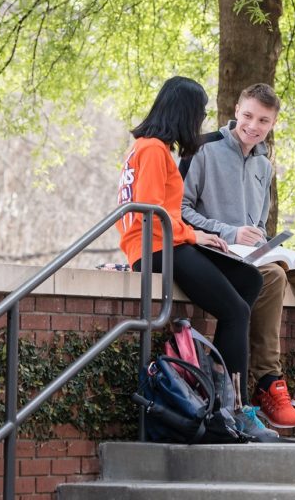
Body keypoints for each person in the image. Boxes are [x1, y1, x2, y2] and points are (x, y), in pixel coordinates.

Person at [181, 83, 295, 428]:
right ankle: (267, 383)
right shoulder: (203, 149)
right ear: (236, 111)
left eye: (263, 120)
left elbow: (258, 219)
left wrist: (260, 235)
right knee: (273, 275)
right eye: (248, 116)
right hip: (214, 248)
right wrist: (228, 231)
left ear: (273, 123)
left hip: (254, 251)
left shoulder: (264, 163)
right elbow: (180, 209)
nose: (253, 125)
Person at [117, 75, 274, 440]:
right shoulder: (154, 150)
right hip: (156, 248)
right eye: (199, 112)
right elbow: (154, 213)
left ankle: (219, 390)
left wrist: (196, 235)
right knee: (236, 311)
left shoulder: (145, 147)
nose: (200, 121)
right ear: (184, 111)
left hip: (163, 243)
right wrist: (194, 233)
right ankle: (233, 410)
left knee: (249, 280)